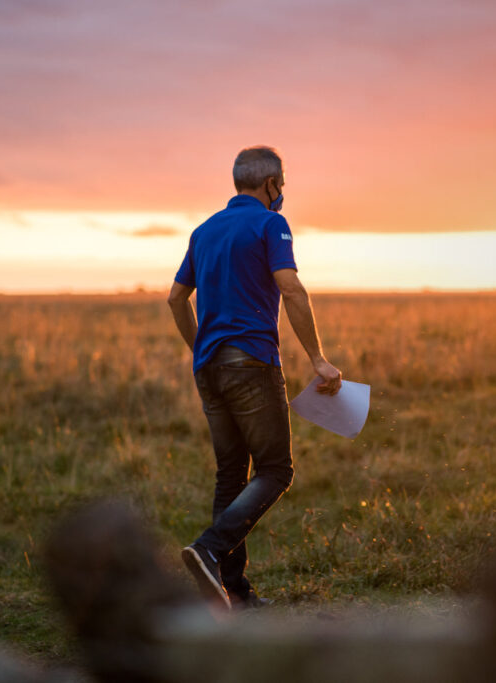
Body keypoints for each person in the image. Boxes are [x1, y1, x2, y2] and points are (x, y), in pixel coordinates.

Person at [167, 145, 342, 609]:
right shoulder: (271, 224)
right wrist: (319, 359)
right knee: (275, 470)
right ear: (271, 185)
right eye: (281, 184)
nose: (282, 193)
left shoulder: (203, 231)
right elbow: (291, 288)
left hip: (209, 367)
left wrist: (201, 348)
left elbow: (175, 299)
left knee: (231, 475)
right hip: (251, 363)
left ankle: (234, 592)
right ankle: (207, 547)